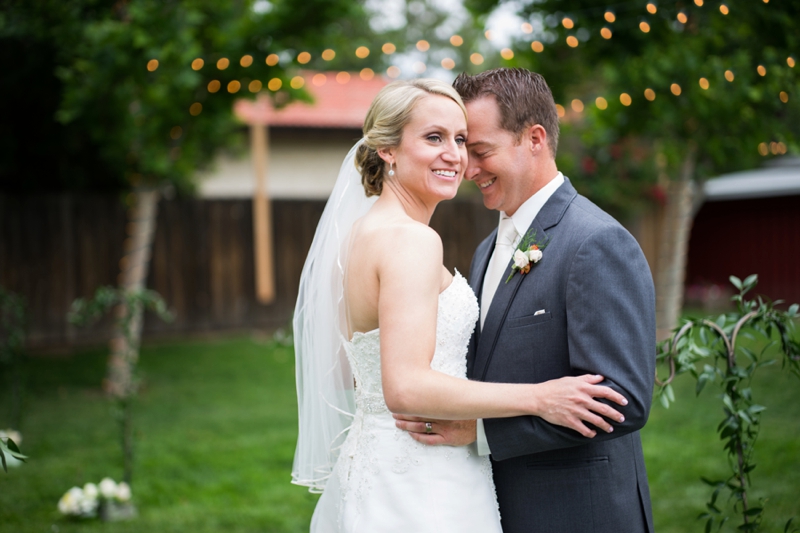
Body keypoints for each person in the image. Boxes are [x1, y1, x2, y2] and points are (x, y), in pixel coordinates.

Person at [292, 78, 630, 532]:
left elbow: (354, 369)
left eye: (461, 140)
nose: (456, 155)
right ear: (388, 149)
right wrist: (539, 397)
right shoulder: (412, 240)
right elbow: (406, 388)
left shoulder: (360, 234)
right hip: (425, 484)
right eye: (434, 138)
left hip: (377, 461)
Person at [395, 68, 657, 533]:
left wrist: (481, 432)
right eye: (460, 149)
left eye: (480, 151)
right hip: (493, 506)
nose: (466, 168)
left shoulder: (596, 243)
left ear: (534, 139)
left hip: (578, 512)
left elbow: (622, 401)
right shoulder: (487, 248)